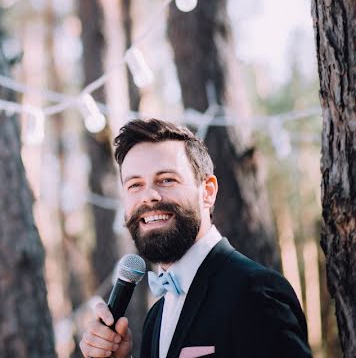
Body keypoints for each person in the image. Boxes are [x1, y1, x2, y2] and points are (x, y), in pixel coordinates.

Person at [79, 118, 311, 358]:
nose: (149, 196)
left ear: (208, 192)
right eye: (135, 185)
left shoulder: (256, 293)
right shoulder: (155, 319)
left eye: (167, 179)